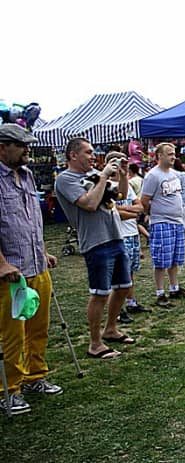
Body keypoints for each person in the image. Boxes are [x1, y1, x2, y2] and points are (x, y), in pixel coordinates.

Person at [0, 123, 62, 415]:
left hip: (36, 264)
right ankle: (9, 389)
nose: (27, 150)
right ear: (3, 147)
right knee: (11, 333)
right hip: (11, 272)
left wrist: (44, 251)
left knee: (38, 327)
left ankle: (35, 376)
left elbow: (31, 220)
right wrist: (2, 264)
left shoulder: (26, 175)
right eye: (21, 145)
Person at [55, 137, 135, 360]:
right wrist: (103, 176)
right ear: (73, 155)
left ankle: (110, 329)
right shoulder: (66, 179)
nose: (93, 156)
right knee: (100, 293)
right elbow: (89, 204)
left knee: (123, 286)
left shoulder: (94, 175)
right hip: (95, 241)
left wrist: (123, 174)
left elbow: (120, 195)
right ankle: (95, 343)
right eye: (88, 152)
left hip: (115, 236)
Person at [140, 143, 185, 308]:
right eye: (169, 154)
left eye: (174, 154)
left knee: (175, 259)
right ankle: (160, 292)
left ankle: (174, 288)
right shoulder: (153, 176)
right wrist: (151, 213)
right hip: (161, 222)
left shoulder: (173, 174)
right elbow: (144, 200)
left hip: (177, 221)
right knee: (161, 260)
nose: (173, 157)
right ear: (160, 156)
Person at [109, 151, 151, 324]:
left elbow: (140, 207)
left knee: (130, 272)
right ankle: (118, 310)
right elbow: (113, 212)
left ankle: (131, 302)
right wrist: (131, 213)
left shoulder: (127, 185)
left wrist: (127, 211)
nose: (122, 166)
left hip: (132, 233)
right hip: (119, 235)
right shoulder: (107, 186)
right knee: (119, 275)